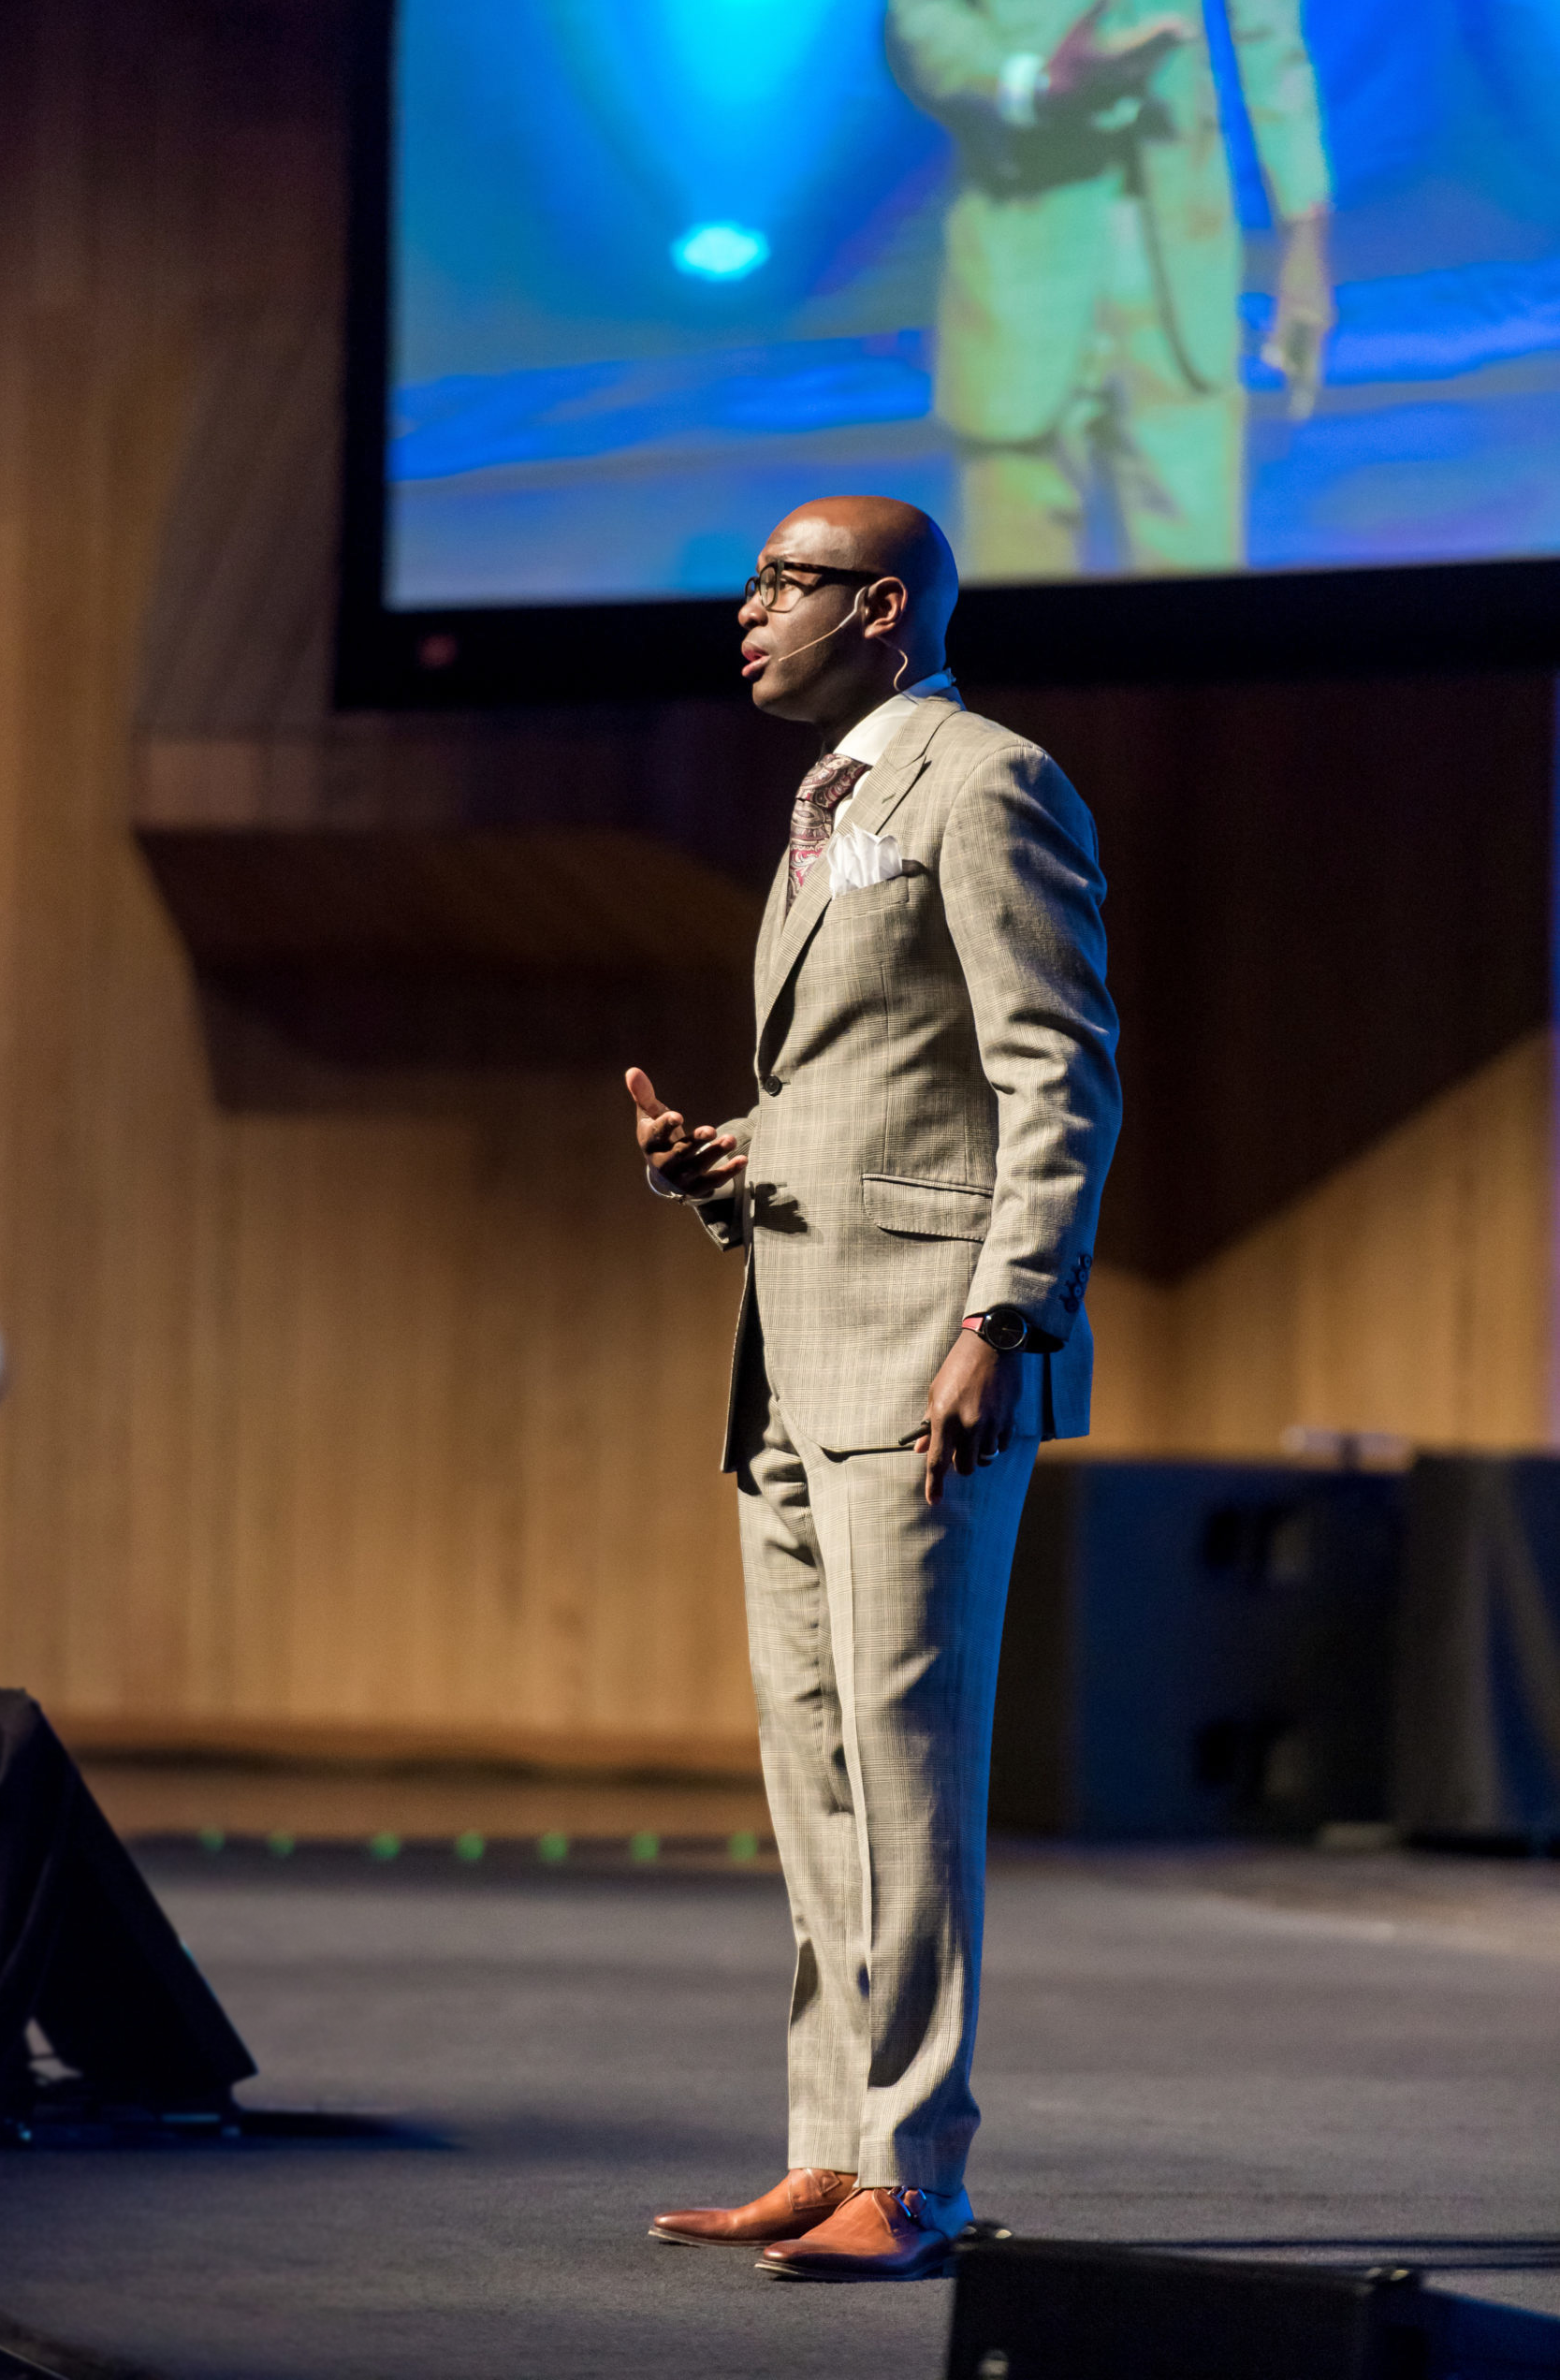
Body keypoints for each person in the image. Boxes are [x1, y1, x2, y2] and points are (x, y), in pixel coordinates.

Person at [627, 495, 1120, 2280]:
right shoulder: (824, 810)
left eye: (782, 581)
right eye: (752, 577)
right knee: (816, 1776)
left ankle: (914, 2173)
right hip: (789, 1348)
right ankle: (826, 2141)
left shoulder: (980, 783)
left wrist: (1005, 1325)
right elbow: (878, 1095)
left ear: (880, 606)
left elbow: (1054, 1078)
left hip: (926, 1361)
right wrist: (729, 1156)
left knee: (905, 1775)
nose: (744, 610)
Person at [885, 0, 1334, 577]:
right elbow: (918, 13)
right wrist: (1030, 85)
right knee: (1012, 615)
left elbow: (1271, 32)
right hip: (1018, 249)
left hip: (1183, 272)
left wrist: (1305, 239)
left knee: (1206, 614)